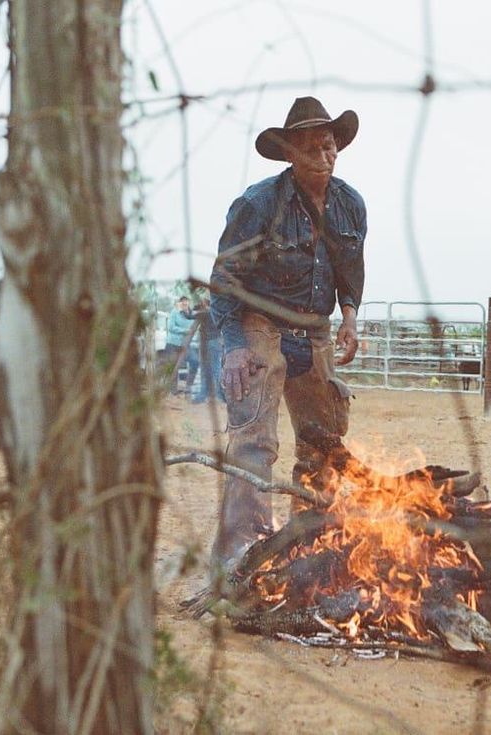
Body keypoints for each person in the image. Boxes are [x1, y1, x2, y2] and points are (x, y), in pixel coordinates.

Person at [208, 96, 365, 572]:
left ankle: (310, 536)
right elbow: (225, 279)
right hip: (262, 323)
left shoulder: (350, 205)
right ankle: (241, 551)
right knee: (255, 439)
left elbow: (349, 268)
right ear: (290, 153)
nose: (325, 153)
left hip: (315, 328)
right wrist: (234, 346)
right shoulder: (258, 205)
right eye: (313, 145)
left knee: (324, 439)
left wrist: (351, 316)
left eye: (330, 143)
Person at [192, 291, 223, 404]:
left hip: (209, 343)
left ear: (205, 302)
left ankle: (206, 395)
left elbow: (189, 315)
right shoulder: (216, 312)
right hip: (215, 342)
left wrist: (182, 310)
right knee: (215, 369)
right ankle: (219, 395)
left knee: (210, 369)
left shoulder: (204, 313)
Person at [164, 296, 197, 395]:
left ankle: (188, 386)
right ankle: (173, 390)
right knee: (174, 366)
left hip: (186, 344)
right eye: (182, 303)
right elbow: (171, 327)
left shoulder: (192, 315)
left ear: (189, 303)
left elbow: (194, 329)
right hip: (173, 343)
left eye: (186, 302)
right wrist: (185, 331)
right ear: (180, 303)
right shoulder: (175, 312)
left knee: (195, 361)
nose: (184, 304)